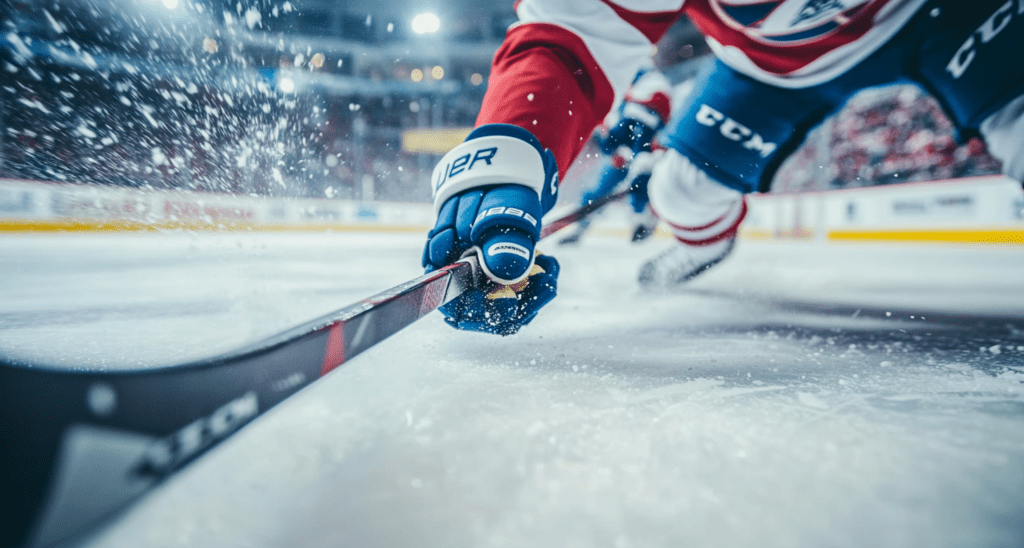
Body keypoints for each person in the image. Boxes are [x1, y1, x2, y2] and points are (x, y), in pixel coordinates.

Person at [421, 0, 1024, 335]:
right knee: (679, 192)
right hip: (770, 70)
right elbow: (574, 31)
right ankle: (700, 238)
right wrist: (512, 150)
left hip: (951, 14)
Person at [559, 68, 672, 245]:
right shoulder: (626, 92)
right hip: (625, 156)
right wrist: (617, 151)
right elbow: (614, 133)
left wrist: (638, 157)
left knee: (641, 189)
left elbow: (643, 135)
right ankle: (582, 225)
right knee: (600, 190)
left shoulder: (651, 90)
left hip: (646, 155)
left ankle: (642, 222)